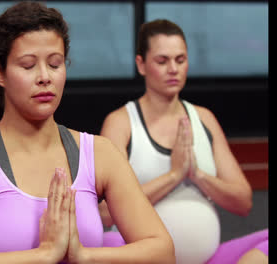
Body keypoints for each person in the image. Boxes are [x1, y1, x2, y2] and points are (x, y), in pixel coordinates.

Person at [0, 2, 175, 264]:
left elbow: (163, 252)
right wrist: (43, 255)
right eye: (28, 66)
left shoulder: (99, 153)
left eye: (55, 64)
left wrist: (84, 255)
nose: (44, 77)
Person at [98, 19, 268, 263]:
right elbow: (104, 213)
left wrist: (197, 175)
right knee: (108, 244)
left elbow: (243, 201)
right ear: (141, 64)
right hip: (141, 258)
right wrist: (174, 176)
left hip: (208, 258)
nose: (173, 69)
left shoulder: (204, 118)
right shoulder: (121, 122)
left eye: (180, 60)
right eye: (162, 61)